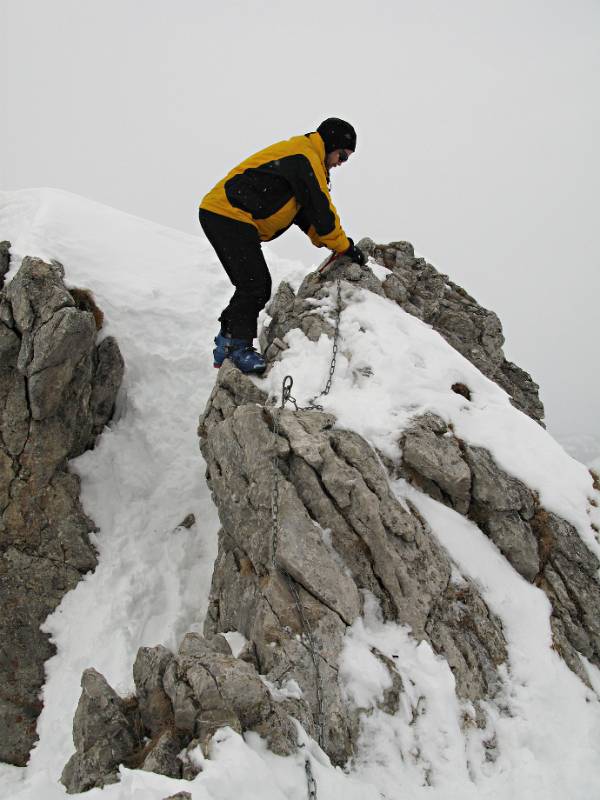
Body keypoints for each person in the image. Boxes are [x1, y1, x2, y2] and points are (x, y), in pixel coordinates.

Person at [199, 117, 366, 374]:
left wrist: (329, 241)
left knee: (252, 283)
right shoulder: (304, 157)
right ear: (332, 144)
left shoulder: (304, 159)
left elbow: (307, 216)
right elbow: (322, 211)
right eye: (342, 156)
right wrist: (345, 246)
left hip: (226, 215)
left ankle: (227, 340)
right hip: (228, 214)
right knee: (255, 284)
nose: (340, 163)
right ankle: (236, 346)